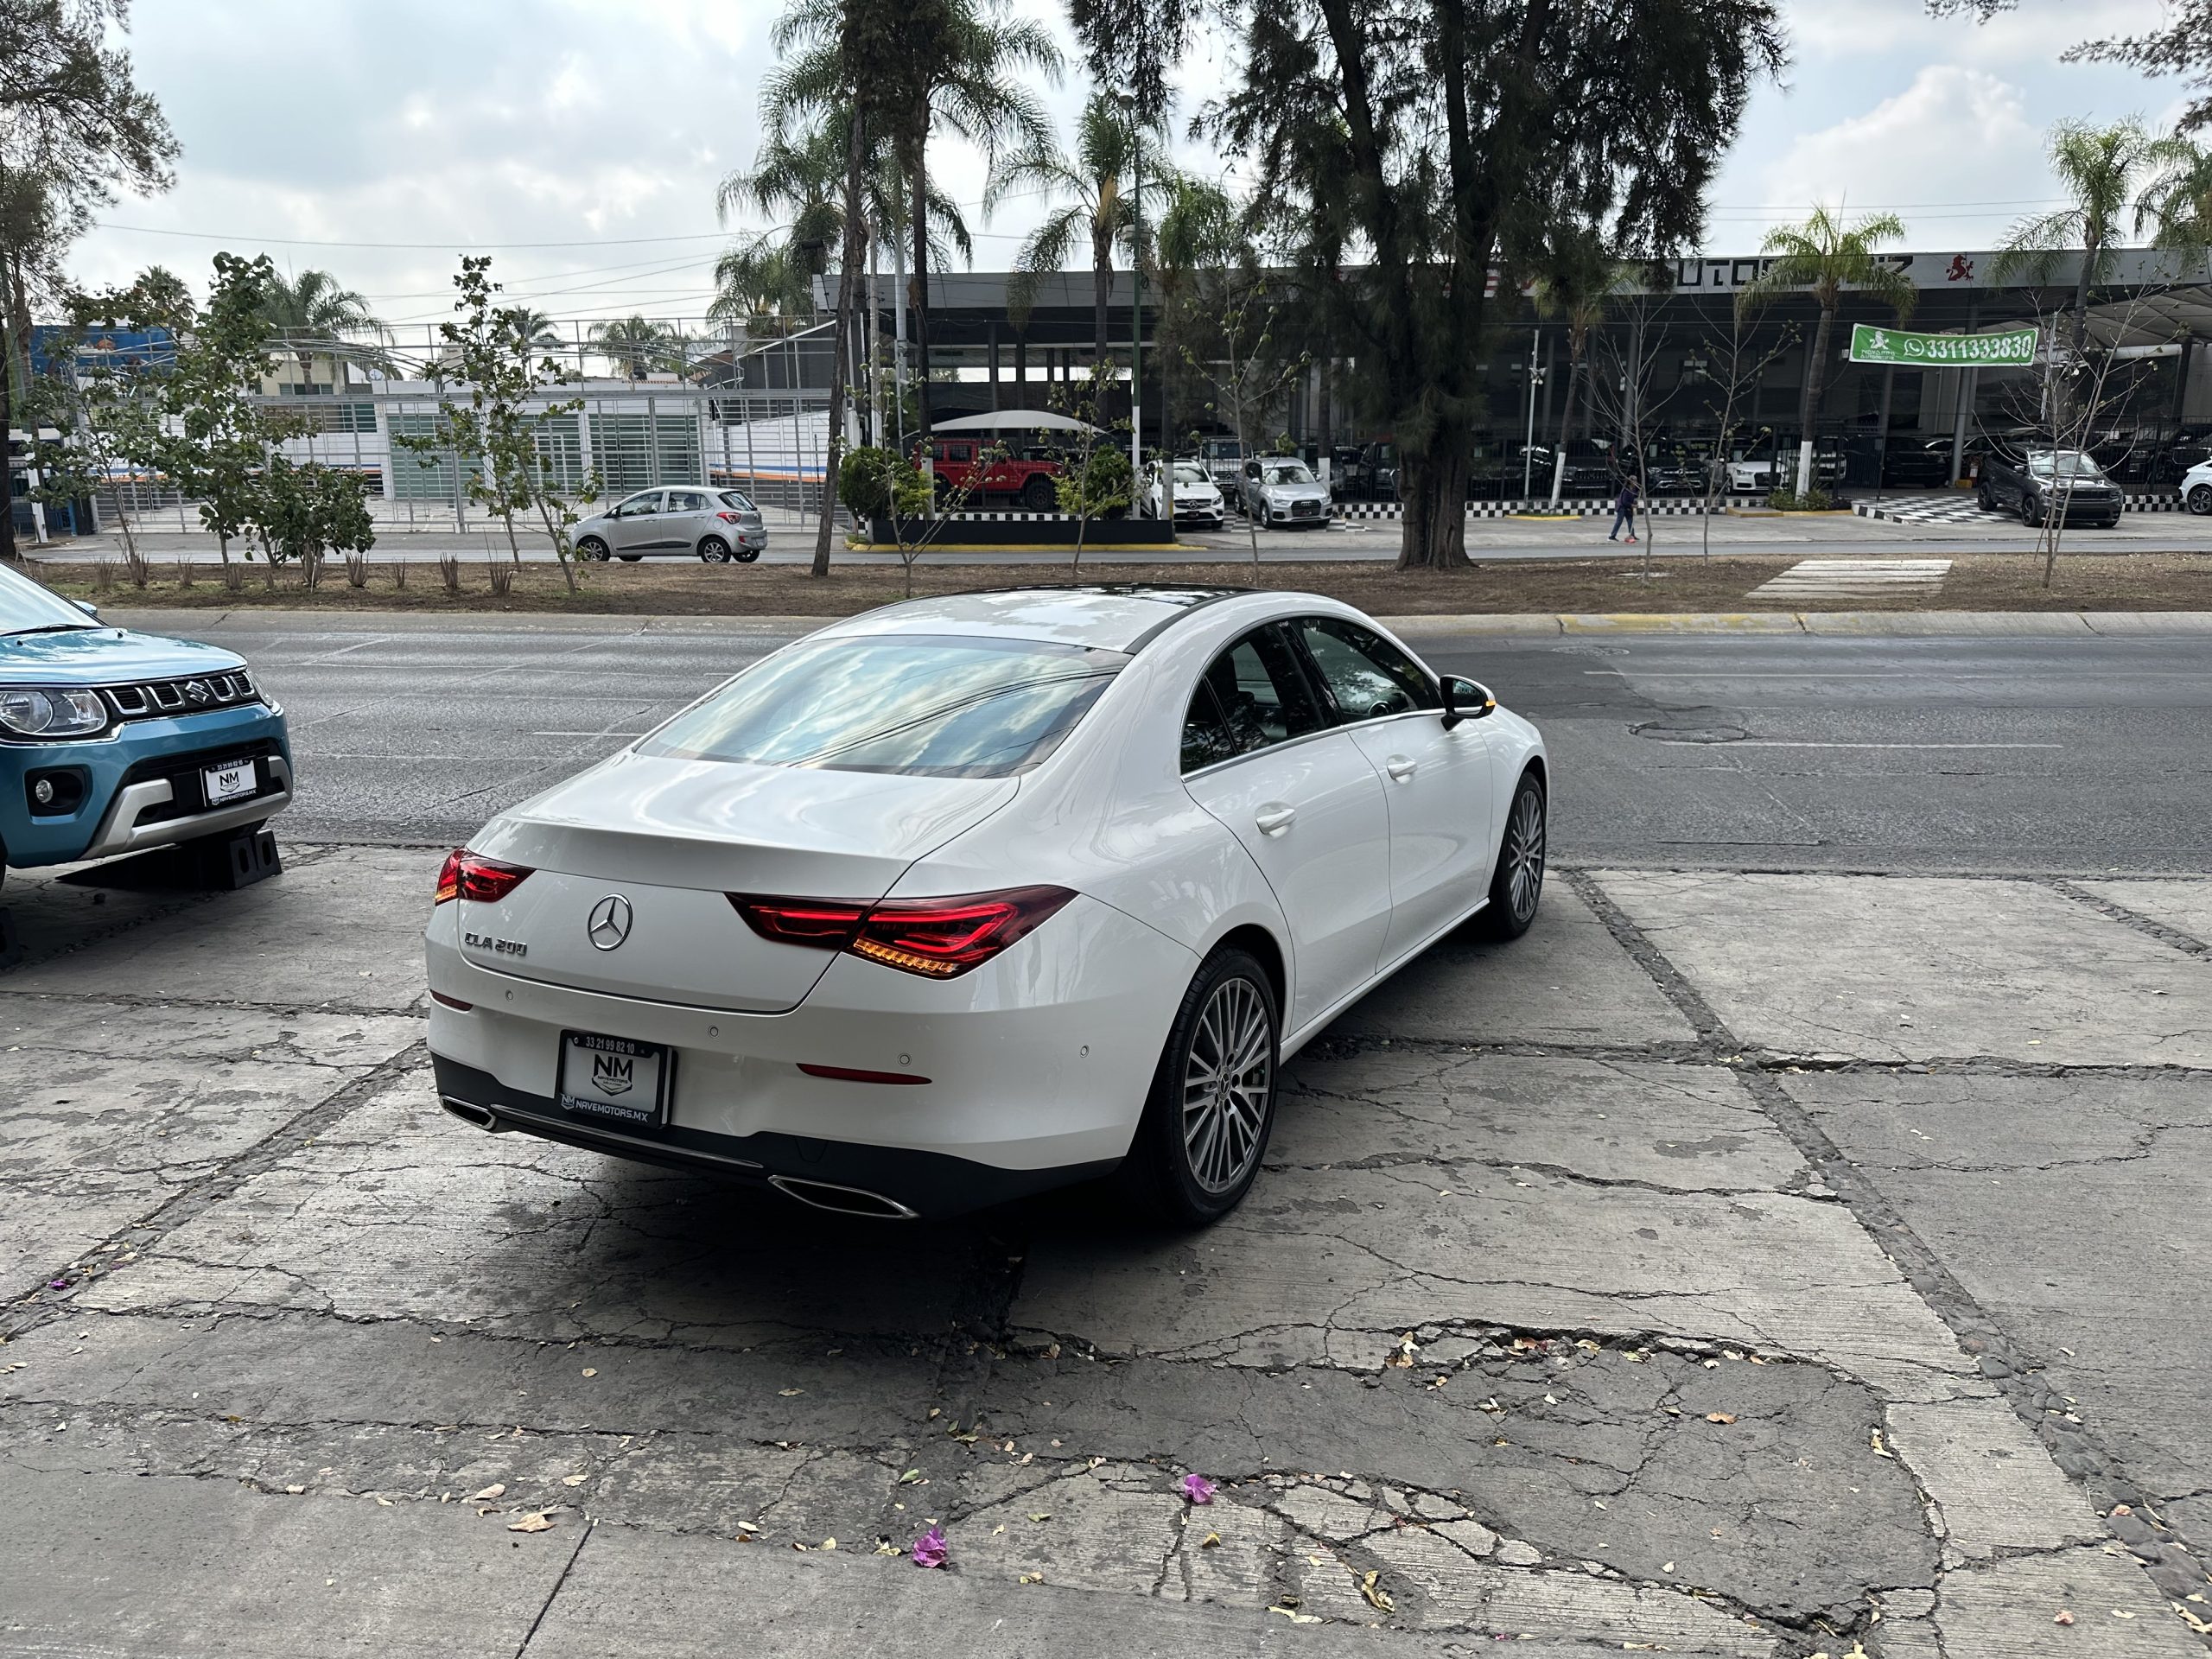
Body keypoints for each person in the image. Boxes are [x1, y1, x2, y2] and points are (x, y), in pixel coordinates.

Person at [1608, 476, 1640, 543]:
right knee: (1619, 522)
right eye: (1634, 481)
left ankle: (1632, 535)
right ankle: (1612, 536)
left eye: (1636, 481)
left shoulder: (1634, 488)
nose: (1635, 482)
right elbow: (1624, 502)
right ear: (1630, 482)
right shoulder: (1626, 490)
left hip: (1628, 508)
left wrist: (1640, 489)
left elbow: (1636, 493)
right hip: (1622, 507)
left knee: (1630, 521)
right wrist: (1633, 505)